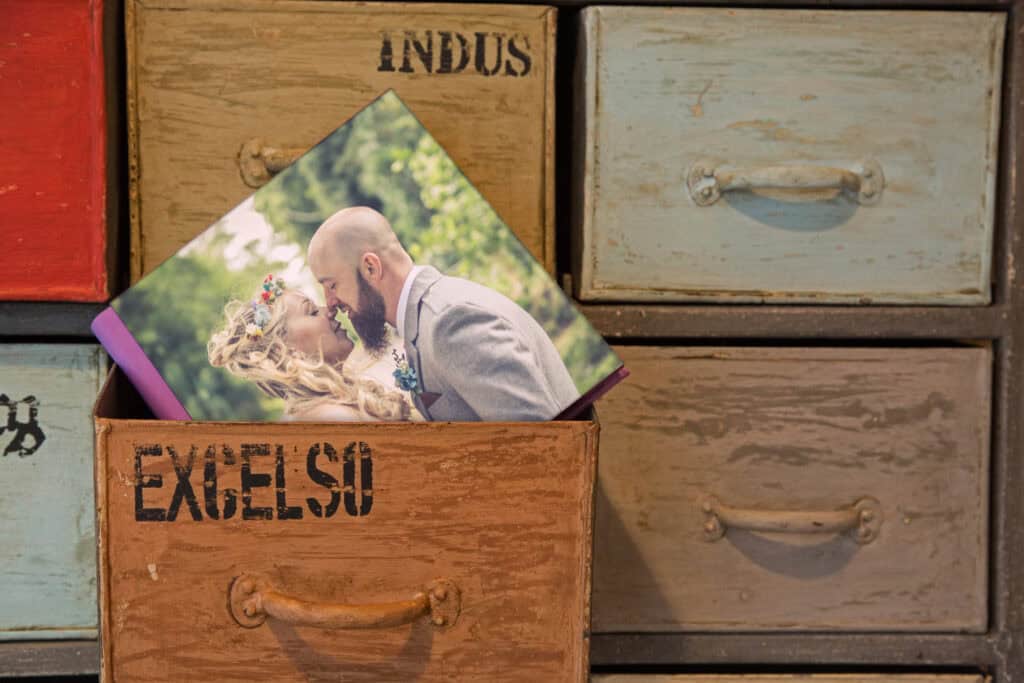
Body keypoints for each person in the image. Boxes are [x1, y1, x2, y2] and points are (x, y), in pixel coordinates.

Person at [307, 207, 581, 421]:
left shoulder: (449, 323)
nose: (330, 303)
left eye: (332, 286)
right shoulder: (429, 317)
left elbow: (543, 442)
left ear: (370, 268)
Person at [207, 274, 412, 421]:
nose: (329, 310)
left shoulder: (331, 405)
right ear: (285, 351)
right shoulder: (331, 418)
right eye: (313, 312)